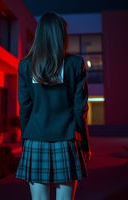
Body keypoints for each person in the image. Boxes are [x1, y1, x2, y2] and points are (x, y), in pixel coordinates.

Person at [15, 11, 91, 200]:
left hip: (34, 137)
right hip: (66, 139)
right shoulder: (75, 64)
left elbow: (24, 107)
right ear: (61, 35)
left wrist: (25, 138)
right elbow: (80, 109)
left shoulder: (26, 65)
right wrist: (85, 143)